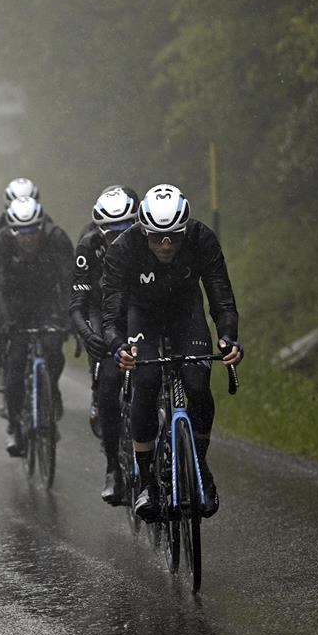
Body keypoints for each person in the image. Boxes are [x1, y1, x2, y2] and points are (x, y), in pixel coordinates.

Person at [102, 184, 244, 520]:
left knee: (197, 386)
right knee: (147, 381)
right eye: (156, 238)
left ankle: (201, 467)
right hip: (143, 315)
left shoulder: (202, 238)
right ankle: (148, 482)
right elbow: (112, 314)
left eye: (174, 238)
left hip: (186, 313)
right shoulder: (123, 249)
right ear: (144, 231)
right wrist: (118, 346)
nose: (165, 245)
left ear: (185, 231)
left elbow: (222, 300)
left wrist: (227, 338)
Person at [0, 195, 73, 456]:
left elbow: (69, 280)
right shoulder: (0, 242)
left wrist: (70, 317)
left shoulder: (56, 238)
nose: (28, 238)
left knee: (54, 348)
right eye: (21, 232)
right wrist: (2, 320)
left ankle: (51, 391)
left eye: (33, 230)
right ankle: (14, 426)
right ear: (12, 230)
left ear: (41, 226)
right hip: (14, 306)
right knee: (15, 368)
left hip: (46, 301)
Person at [68, 185, 139, 504]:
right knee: (110, 384)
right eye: (110, 234)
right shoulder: (88, 244)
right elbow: (79, 303)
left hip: (139, 307)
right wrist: (87, 336)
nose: (117, 240)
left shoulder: (150, 240)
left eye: (125, 231)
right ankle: (113, 467)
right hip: (101, 308)